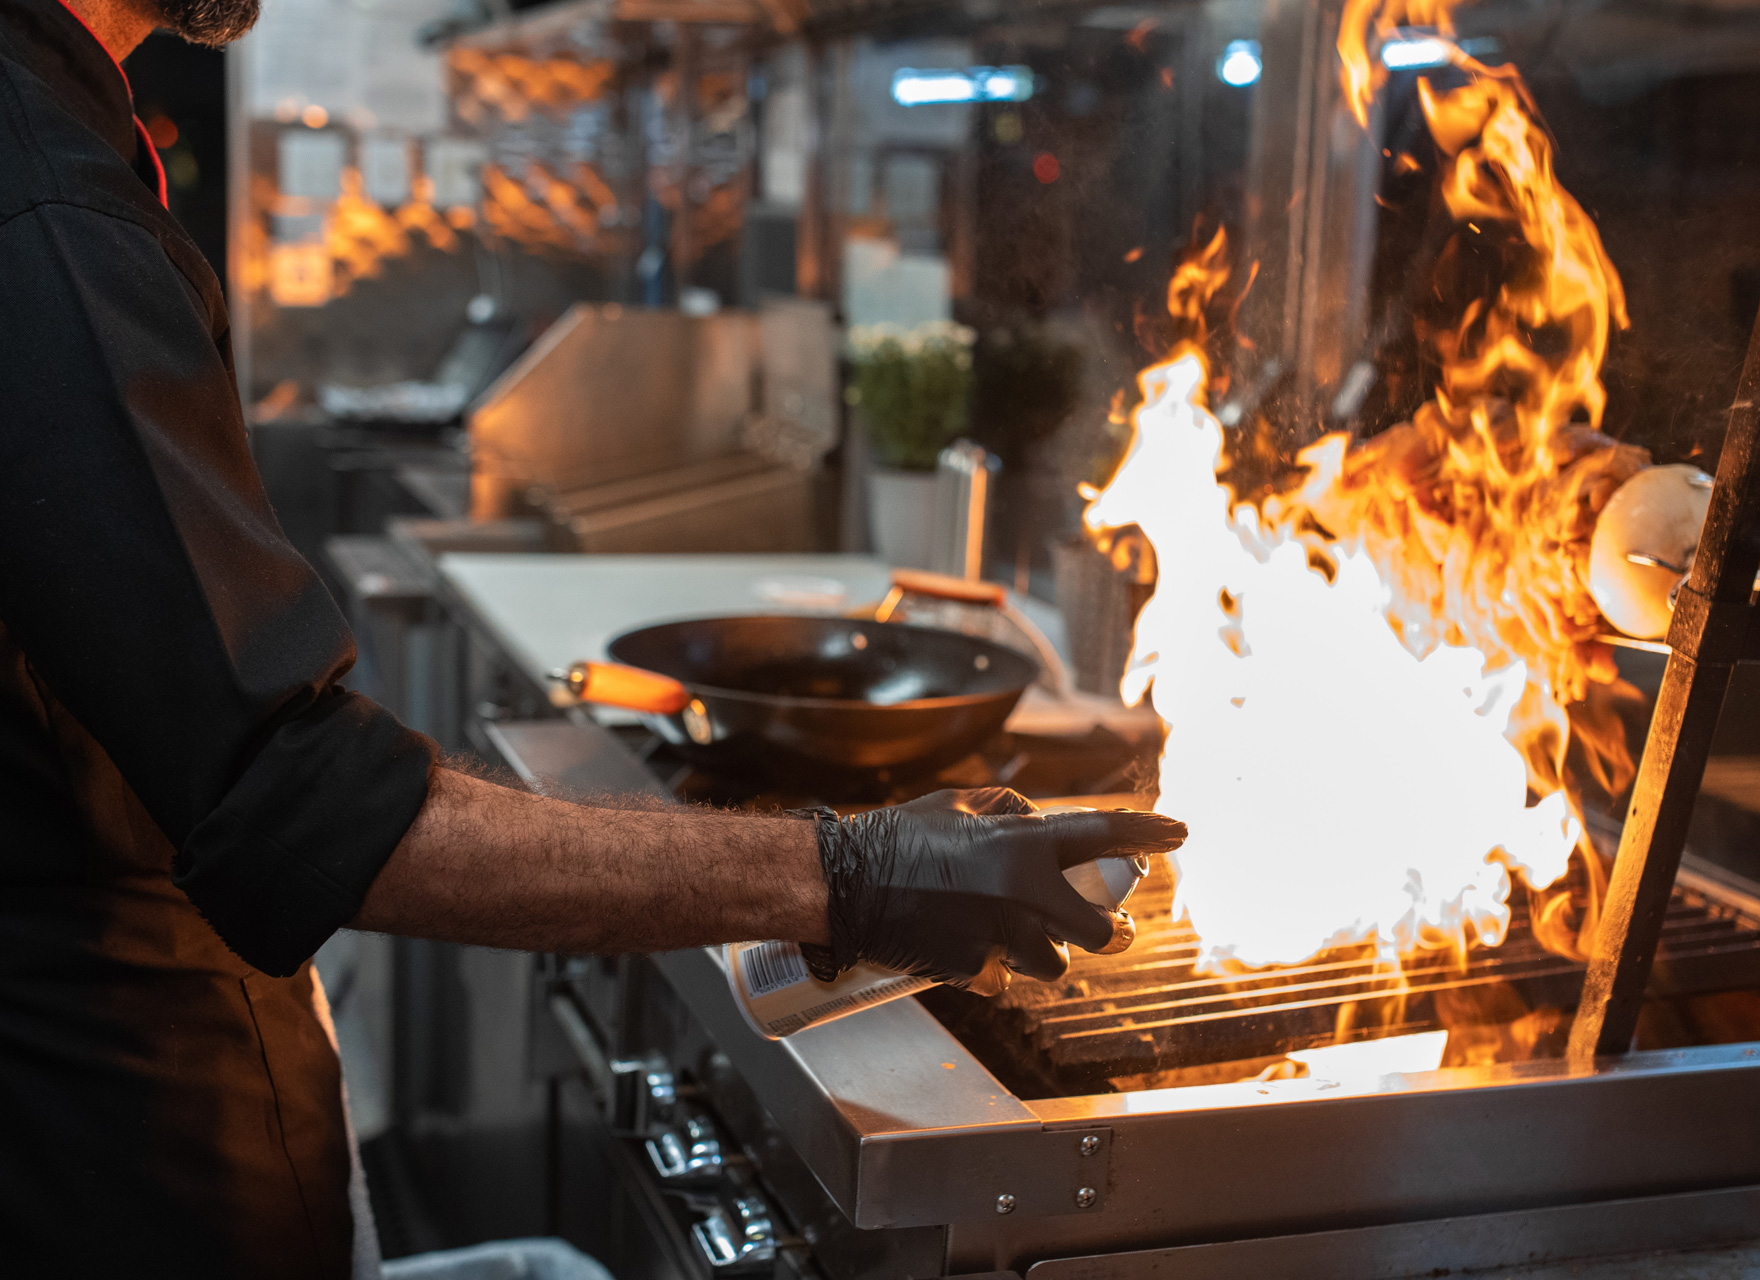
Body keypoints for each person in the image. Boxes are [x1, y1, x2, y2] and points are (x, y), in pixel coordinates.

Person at [0, 0, 1189, 1273]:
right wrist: (849, 875)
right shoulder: (42, 201)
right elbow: (295, 797)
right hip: (106, 1148)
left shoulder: (69, 129)